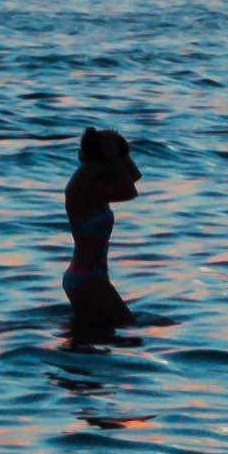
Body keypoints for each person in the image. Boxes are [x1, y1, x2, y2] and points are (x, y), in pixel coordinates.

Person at [62, 128, 142, 330]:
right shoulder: (82, 182)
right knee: (128, 329)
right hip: (87, 278)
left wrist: (118, 149)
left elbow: (134, 176)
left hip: (92, 277)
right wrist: (113, 156)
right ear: (102, 159)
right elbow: (129, 191)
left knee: (94, 336)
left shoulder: (93, 177)